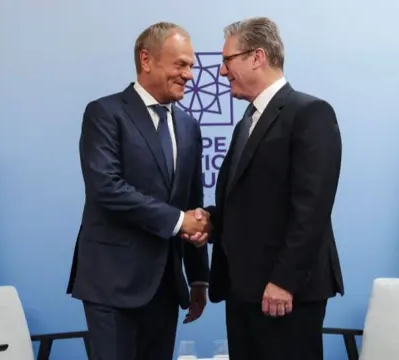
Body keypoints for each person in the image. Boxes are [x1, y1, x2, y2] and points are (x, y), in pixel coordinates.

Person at [186, 16, 344, 359]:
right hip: (244, 290)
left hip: (285, 293)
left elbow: (312, 209)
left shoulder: (310, 113)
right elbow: (248, 205)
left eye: (227, 61)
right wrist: (210, 222)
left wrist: (284, 281)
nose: (222, 72)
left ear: (257, 57)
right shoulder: (247, 121)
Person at [66, 22, 211, 360]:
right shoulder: (105, 113)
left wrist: (199, 278)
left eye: (191, 65)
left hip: (165, 285)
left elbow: (192, 202)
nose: (189, 75)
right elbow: (107, 188)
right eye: (180, 64)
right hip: (112, 283)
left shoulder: (189, 126)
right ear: (146, 60)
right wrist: (179, 221)